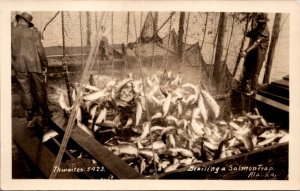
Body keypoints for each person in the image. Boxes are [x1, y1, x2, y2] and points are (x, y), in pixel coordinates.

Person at [11, 12, 50, 132]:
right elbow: (40, 51)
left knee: (26, 91)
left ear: (19, 20)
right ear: (27, 22)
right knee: (39, 89)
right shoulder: (33, 32)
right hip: (34, 65)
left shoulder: (10, 32)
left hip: (19, 66)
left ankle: (30, 117)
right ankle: (43, 116)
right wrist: (45, 65)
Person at [240, 13, 270, 96]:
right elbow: (251, 33)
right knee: (247, 68)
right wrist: (246, 33)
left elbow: (255, 43)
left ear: (265, 22)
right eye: (259, 21)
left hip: (259, 53)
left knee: (255, 72)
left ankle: (254, 90)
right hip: (253, 52)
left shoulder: (265, 32)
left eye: (261, 22)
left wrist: (246, 51)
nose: (259, 23)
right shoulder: (259, 27)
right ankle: (243, 85)